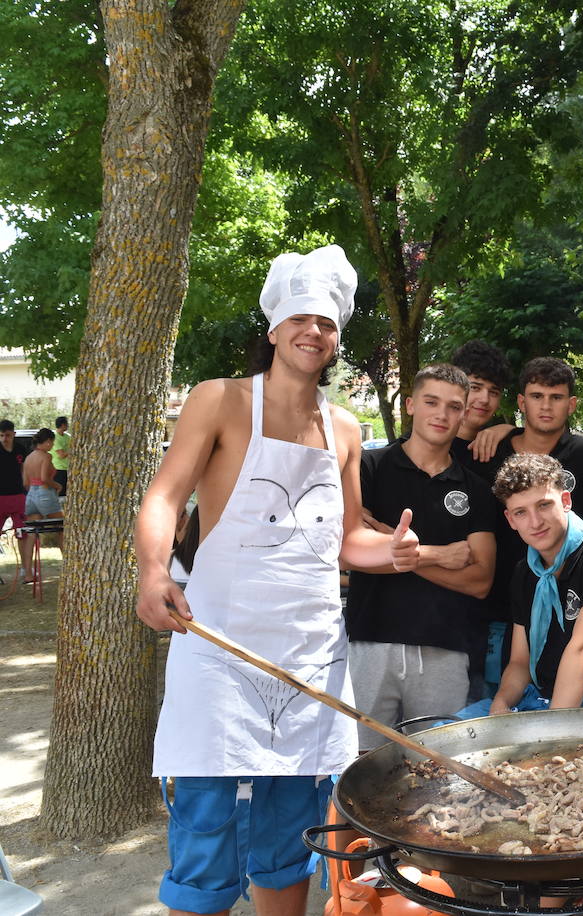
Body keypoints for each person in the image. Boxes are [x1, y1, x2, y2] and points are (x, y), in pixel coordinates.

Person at [134, 245, 419, 916]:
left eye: (325, 322)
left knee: (291, 824)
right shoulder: (221, 400)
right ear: (273, 329)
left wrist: (392, 551)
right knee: (204, 820)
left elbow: (347, 538)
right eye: (300, 319)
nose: (312, 332)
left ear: (337, 335)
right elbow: (164, 498)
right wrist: (152, 572)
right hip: (219, 645)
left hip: (309, 651)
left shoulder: (345, 428)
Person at [344, 363, 498, 751]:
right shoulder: (368, 467)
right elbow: (348, 552)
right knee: (356, 767)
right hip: (370, 642)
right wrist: (438, 554)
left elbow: (480, 581)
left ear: (464, 414)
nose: (441, 414)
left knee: (437, 771)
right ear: (411, 404)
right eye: (431, 402)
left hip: (445, 648)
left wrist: (387, 544)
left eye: (453, 406)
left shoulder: (475, 489)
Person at [465, 453, 583, 716]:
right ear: (511, 520)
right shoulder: (525, 570)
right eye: (521, 512)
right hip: (541, 698)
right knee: (448, 734)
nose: (535, 522)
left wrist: (552, 730)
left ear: (565, 501)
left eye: (543, 505)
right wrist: (501, 704)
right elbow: (520, 661)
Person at [466, 357, 583, 570]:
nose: (546, 406)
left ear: (571, 404)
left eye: (556, 397)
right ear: (522, 402)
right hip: (500, 589)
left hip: (572, 588)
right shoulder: (489, 452)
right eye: (537, 396)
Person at [449, 339, 518, 700]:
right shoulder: (428, 450)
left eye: (494, 391)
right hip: (445, 611)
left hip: (502, 611)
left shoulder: (504, 449)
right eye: (475, 387)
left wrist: (509, 430)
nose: (484, 400)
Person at [0, 419, 34, 583]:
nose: (4, 439)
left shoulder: (20, 449)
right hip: (0, 499)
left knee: (22, 534)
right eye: (1, 435)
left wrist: (26, 488)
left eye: (7, 435)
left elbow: (23, 470)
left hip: (18, 498)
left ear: (13, 434)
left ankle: (26, 570)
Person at [22, 428, 63, 524]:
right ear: (48, 441)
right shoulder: (46, 456)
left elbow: (25, 483)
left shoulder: (28, 458)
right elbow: (44, 478)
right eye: (52, 442)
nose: (53, 445)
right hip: (45, 492)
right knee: (61, 526)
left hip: (31, 495)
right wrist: (57, 486)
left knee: (33, 530)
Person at [51, 416, 71, 495]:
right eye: (67, 424)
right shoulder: (55, 438)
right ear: (62, 425)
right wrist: (72, 451)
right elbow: (61, 455)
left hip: (67, 468)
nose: (68, 425)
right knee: (60, 492)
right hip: (58, 468)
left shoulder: (67, 437)